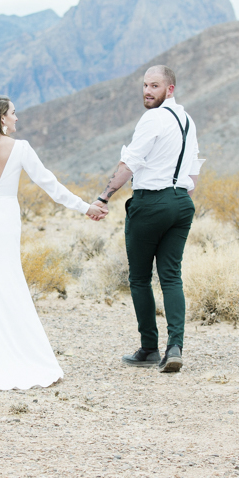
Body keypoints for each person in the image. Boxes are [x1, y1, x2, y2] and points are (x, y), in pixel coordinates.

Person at [0, 96, 105, 391]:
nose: (17, 119)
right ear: (2, 117)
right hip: (4, 218)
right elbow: (50, 185)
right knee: (7, 279)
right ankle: (13, 348)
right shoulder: (21, 149)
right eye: (14, 114)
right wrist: (84, 207)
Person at [89, 65, 203, 373]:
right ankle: (175, 346)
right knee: (171, 276)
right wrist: (179, 201)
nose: (147, 91)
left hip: (152, 201)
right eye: (144, 85)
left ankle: (150, 349)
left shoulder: (153, 118)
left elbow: (130, 164)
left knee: (139, 278)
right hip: (181, 202)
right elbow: (194, 169)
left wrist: (104, 196)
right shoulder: (188, 121)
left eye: (154, 85)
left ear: (170, 89)